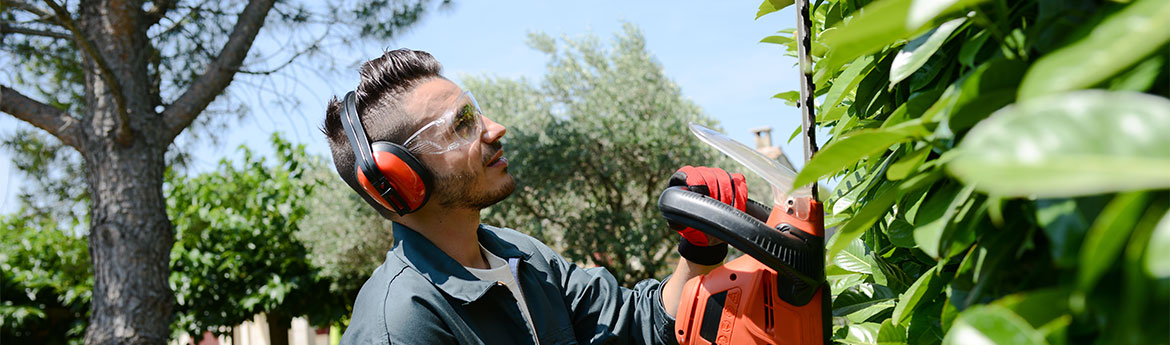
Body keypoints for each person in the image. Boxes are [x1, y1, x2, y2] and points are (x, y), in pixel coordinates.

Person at [320, 48, 749, 345]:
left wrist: (699, 248)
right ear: (401, 177)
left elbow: (639, 325)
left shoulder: (521, 258)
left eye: (476, 110)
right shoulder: (400, 324)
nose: (495, 128)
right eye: (462, 123)